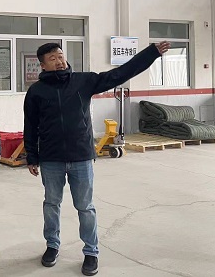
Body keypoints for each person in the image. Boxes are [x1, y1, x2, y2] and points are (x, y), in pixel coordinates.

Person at [23, 41, 170, 276]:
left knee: (85, 207)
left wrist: (151, 53)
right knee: (51, 204)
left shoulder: (83, 81)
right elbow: (30, 126)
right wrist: (32, 156)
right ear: (42, 65)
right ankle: (52, 245)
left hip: (81, 156)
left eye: (60, 56)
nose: (59, 61)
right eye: (52, 58)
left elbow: (120, 73)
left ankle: (91, 251)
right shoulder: (36, 91)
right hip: (51, 159)